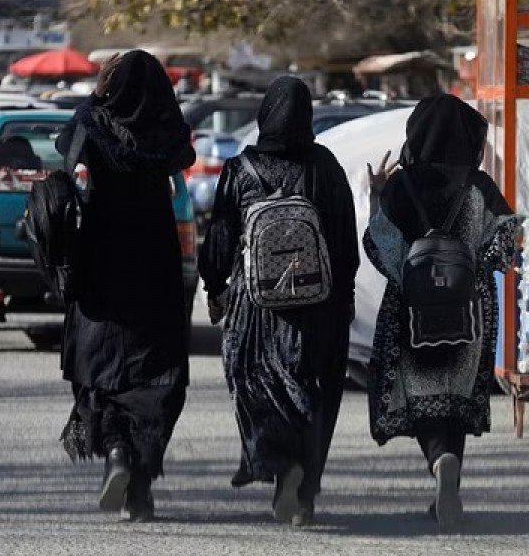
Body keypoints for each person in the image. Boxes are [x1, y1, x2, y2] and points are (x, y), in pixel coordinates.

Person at [199, 76, 359, 527]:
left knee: (255, 385)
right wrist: (344, 297)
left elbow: (221, 240)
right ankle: (305, 490)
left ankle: (277, 465)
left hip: (257, 310)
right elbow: (344, 241)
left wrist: (215, 288)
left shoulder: (240, 169)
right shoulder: (325, 167)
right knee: (314, 393)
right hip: (316, 307)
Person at [363, 94, 517, 530]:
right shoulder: (480, 187)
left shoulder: (400, 186)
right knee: (456, 395)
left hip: (413, 312)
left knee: (423, 393)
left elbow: (380, 247)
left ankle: (437, 460)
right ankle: (449, 474)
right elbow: (505, 248)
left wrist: (378, 196)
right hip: (470, 311)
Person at [55, 50, 196, 522]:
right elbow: (184, 152)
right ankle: (139, 487)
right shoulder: (167, 131)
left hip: (101, 255)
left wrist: (95, 97)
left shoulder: (96, 125)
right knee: (156, 371)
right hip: (154, 257)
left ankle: (116, 451)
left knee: (101, 367)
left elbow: (65, 141)